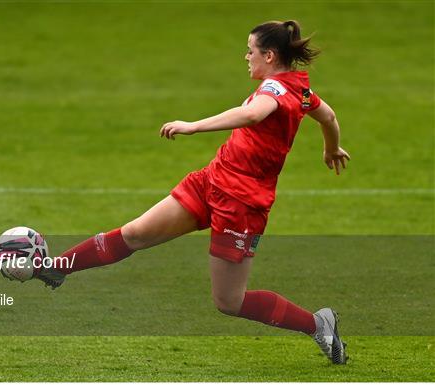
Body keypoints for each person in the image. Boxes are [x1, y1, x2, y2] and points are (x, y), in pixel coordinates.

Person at [36, 20, 350, 364]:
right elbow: (329, 116)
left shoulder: (274, 90)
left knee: (230, 302)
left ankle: (318, 324)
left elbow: (251, 115)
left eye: (251, 51)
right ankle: (57, 267)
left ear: (270, 55)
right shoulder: (299, 89)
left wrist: (193, 126)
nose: (246, 57)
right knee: (137, 233)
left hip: (242, 205)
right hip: (212, 181)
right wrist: (331, 148)